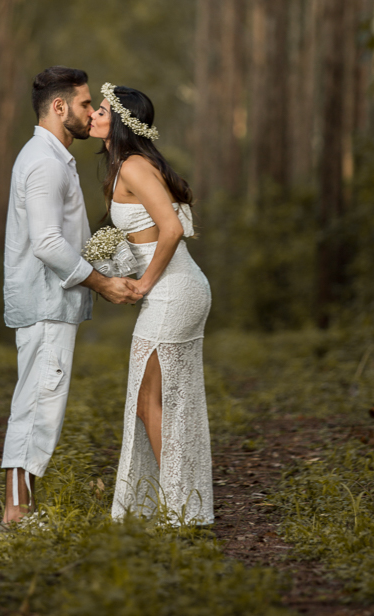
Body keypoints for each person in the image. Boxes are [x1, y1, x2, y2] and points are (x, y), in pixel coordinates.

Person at [1, 67, 141, 525]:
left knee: (42, 402)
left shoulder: (53, 156)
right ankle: (17, 513)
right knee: (38, 406)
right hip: (44, 302)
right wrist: (101, 282)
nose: (90, 112)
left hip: (50, 300)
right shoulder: (43, 162)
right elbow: (46, 243)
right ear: (59, 107)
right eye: (84, 104)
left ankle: (21, 509)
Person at [89, 83, 214, 525]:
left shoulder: (135, 166)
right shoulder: (125, 165)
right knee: (156, 402)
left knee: (150, 403)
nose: (93, 115)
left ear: (119, 121)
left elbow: (171, 229)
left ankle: (180, 508)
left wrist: (142, 283)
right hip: (176, 288)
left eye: (101, 110)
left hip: (173, 290)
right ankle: (178, 503)